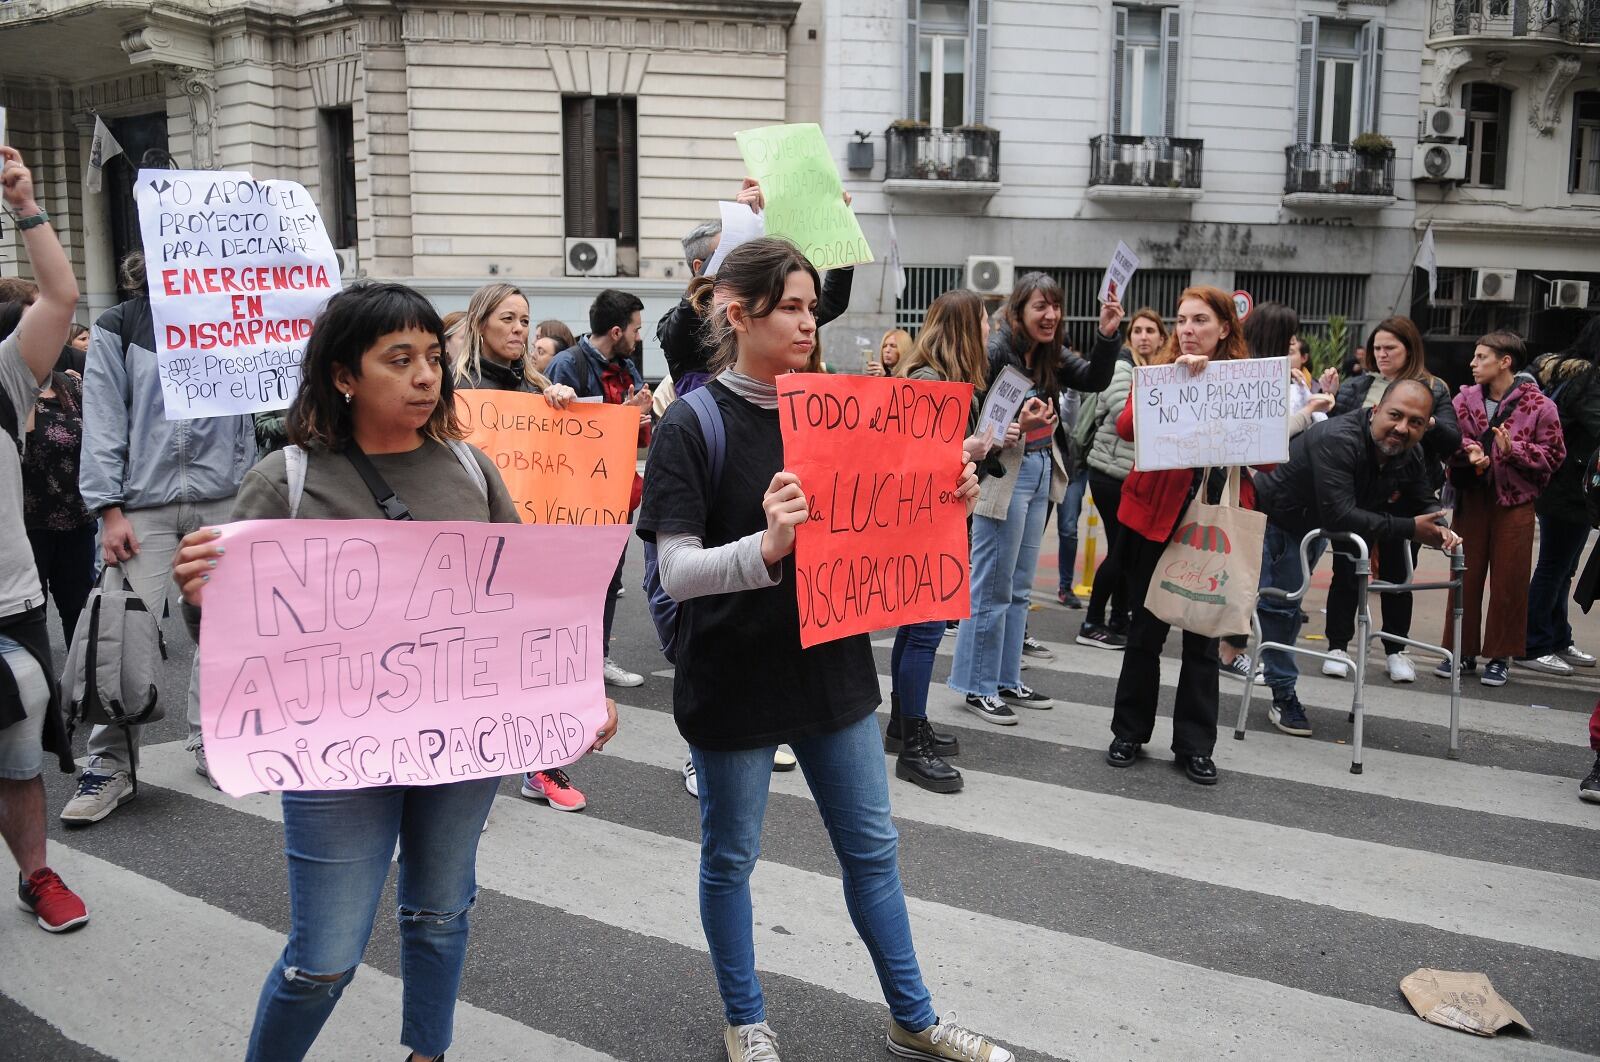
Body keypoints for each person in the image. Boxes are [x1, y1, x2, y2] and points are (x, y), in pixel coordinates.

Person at [171, 281, 618, 1062]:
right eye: (398, 359)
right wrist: (201, 593)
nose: (425, 377)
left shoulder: (471, 472)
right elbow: (227, 638)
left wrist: (577, 697)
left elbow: (519, 608)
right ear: (344, 375)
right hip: (337, 758)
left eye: (433, 359)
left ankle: (427, 1053)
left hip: (458, 747)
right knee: (323, 961)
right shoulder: (289, 480)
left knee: (442, 915)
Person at [637, 235, 1011, 1062]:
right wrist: (766, 547)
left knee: (872, 852)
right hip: (732, 674)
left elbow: (892, 520)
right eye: (794, 308)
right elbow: (673, 569)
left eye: (812, 306)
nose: (811, 322)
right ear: (739, 316)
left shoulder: (844, 408)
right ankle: (747, 1022)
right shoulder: (691, 424)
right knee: (730, 859)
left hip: (832, 666)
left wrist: (944, 495)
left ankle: (912, 1018)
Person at [62, 249, 257, 822]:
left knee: (222, 630)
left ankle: (212, 742)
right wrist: (107, 508)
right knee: (125, 633)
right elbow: (101, 417)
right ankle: (111, 763)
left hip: (224, 496)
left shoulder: (235, 321)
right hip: (140, 506)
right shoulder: (119, 326)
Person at [949, 271, 1123, 724]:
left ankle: (1005, 678)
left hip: (1043, 466)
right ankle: (977, 685)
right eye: (1040, 307)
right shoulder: (995, 352)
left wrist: (1107, 334)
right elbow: (974, 420)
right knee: (991, 583)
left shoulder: (1048, 353)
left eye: (1056, 307)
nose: (1051, 316)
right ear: (1018, 311)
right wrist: (1012, 431)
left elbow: (1093, 379)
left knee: (1020, 586)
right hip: (1003, 472)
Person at [1251, 381, 1461, 735]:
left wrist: (1441, 528)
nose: (1402, 428)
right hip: (1282, 517)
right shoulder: (1338, 438)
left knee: (1288, 605)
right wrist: (1410, 527)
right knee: (1280, 606)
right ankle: (1282, 693)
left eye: (1415, 422)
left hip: (1318, 522)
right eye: (1395, 415)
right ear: (1376, 410)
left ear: (1426, 426)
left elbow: (1422, 496)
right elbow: (1341, 516)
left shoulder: (1410, 449)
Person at [450, 283, 589, 810]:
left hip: (530, 544)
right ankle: (460, 789)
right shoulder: (454, 387)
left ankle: (543, 768)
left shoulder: (537, 387)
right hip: (472, 545)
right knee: (471, 663)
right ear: (481, 323)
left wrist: (561, 406)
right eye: (507, 318)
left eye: (525, 320)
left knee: (537, 659)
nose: (518, 329)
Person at [1105, 286, 1249, 785]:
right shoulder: (1159, 373)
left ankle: (1194, 745)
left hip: (1209, 525)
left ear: (1225, 328)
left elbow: (1267, 454)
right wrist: (1171, 383)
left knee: (1202, 640)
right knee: (1144, 633)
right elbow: (1125, 428)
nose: (1188, 329)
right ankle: (1128, 732)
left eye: (1201, 321)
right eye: (1183, 320)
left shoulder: (1243, 380)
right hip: (1152, 520)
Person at [0, 145, 89, 932]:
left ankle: (37, 874)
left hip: (7, 604)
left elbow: (60, 295)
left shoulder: (3, 376)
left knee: (19, 759)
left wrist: (25, 206)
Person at [885, 290, 998, 794]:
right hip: (921, 524)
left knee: (918, 629)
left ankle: (904, 724)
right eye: (984, 321)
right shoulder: (928, 379)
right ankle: (912, 746)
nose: (991, 329)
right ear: (963, 328)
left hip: (937, 517)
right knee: (926, 629)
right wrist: (963, 449)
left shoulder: (946, 379)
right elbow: (908, 456)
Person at [1322, 317, 1461, 684]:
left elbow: (1451, 439)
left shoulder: (1434, 388)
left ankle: (1397, 650)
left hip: (1406, 493)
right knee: (1348, 569)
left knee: (1400, 574)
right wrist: (1330, 398)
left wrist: (1421, 419)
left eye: (1390, 348)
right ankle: (1337, 646)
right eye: (1377, 348)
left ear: (1409, 349)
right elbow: (1337, 429)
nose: (1381, 355)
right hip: (1356, 494)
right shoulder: (1359, 385)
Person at [1217, 303, 1336, 684]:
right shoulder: (1251, 380)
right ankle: (1232, 651)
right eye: (1287, 339)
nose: (1293, 348)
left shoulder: (1295, 379)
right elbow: (1261, 439)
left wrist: (1320, 400)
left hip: (1298, 494)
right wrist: (1310, 410)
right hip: (1262, 491)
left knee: (1271, 586)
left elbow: (1315, 427)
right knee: (1253, 582)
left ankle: (1245, 651)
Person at [1437, 332, 1564, 687]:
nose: (1473, 364)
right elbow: (1447, 441)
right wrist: (1469, 452)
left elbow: (1555, 456)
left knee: (1509, 581)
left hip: (1516, 504)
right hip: (1472, 499)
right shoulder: (1462, 400)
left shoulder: (1540, 405)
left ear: (1505, 361)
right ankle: (1459, 651)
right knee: (1464, 575)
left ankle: (1500, 656)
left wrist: (1514, 452)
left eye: (1481, 357)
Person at [547, 289, 653, 690]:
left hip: (617, 492)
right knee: (570, 578)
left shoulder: (627, 368)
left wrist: (640, 417)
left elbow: (636, 436)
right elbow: (558, 432)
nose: (638, 338)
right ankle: (561, 658)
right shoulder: (567, 365)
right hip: (576, 492)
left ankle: (596, 659)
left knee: (609, 578)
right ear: (615, 330)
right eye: (636, 329)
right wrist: (624, 417)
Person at [660, 179, 854, 395]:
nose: (809, 325)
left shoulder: (770, 310)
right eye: (728, 251)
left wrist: (840, 232)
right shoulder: (678, 329)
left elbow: (832, 301)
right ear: (737, 317)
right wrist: (740, 225)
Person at [1077, 307, 1165, 650]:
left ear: (1160, 337)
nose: (1144, 336)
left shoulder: (1150, 369)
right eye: (1138, 330)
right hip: (1109, 473)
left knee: (1128, 551)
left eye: (1151, 330)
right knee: (1120, 550)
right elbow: (1123, 415)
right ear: (1130, 337)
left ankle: (1118, 618)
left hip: (1132, 475)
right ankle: (1092, 622)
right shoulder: (1122, 367)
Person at [16, 316, 97, 645]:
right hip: (26, 525)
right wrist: (26, 384)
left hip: (75, 518)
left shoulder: (71, 385)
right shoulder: (10, 388)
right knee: (28, 617)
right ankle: (36, 694)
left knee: (80, 612)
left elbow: (96, 440)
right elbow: (24, 441)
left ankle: (82, 688)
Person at [1526, 319, 1600, 674]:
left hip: (1566, 483)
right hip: (1569, 486)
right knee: (1554, 566)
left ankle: (1558, 638)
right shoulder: (1587, 382)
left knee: (1563, 568)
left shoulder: (1567, 373)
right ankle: (1534, 643)